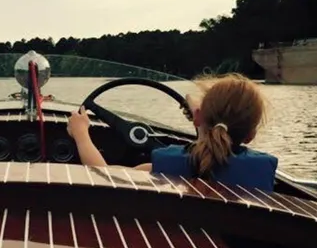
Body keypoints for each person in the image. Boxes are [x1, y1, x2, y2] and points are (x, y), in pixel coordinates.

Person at [67, 73, 278, 191]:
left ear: (197, 118)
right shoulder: (263, 171)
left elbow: (105, 177)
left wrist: (81, 134)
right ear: (251, 135)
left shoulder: (165, 166)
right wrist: (197, 110)